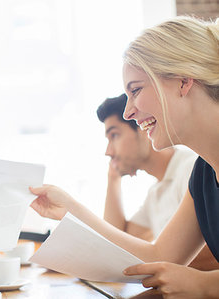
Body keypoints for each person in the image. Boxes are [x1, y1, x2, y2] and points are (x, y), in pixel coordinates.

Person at [30, 16, 219, 298]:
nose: (128, 111)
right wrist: (72, 209)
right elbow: (158, 256)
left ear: (183, 80)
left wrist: (204, 286)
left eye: (136, 90)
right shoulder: (203, 173)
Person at [97, 94, 217, 270]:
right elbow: (117, 243)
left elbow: (211, 252)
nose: (108, 151)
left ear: (142, 128)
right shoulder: (155, 194)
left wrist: (158, 262)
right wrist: (113, 179)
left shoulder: (191, 169)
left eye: (114, 136)